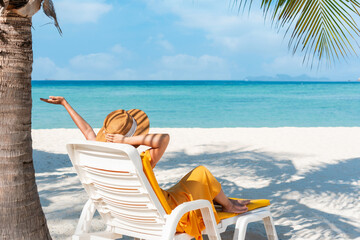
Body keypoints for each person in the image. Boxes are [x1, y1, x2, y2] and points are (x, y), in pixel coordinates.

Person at [41, 96, 250, 240]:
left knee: (191, 182)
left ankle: (223, 201)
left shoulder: (99, 155)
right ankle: (228, 206)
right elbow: (163, 139)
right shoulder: (137, 160)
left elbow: (86, 130)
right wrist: (128, 140)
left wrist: (65, 103)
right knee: (201, 173)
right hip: (168, 215)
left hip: (128, 216)